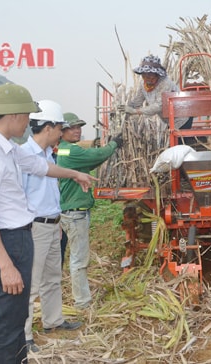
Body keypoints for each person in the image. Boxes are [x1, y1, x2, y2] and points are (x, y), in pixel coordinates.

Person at [0, 84, 96, 364]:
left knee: (16, 316)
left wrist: (74, 174)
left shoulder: (8, 148)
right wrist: (6, 265)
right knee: (7, 320)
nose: (29, 122)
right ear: (12, 115)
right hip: (8, 243)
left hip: (20, 238)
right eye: (26, 115)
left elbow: (41, 168)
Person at [21, 100, 82, 354]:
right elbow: (19, 196)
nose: (61, 133)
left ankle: (53, 321)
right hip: (34, 228)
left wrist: (56, 221)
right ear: (48, 127)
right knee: (31, 284)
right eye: (59, 128)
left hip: (51, 224)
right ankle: (23, 336)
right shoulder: (25, 156)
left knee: (52, 278)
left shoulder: (48, 154)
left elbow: (48, 193)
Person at [57, 112, 122, 309]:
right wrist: (114, 144)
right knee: (78, 259)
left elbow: (92, 160)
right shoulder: (70, 151)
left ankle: (59, 297)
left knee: (68, 257)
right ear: (62, 131)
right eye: (72, 127)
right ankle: (82, 303)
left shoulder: (65, 150)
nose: (77, 130)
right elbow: (96, 156)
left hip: (69, 211)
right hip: (75, 213)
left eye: (79, 127)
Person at [121, 55, 194, 144]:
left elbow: (158, 106)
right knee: (175, 145)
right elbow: (137, 101)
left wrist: (135, 111)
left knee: (180, 146)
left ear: (157, 75)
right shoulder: (142, 85)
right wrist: (125, 109)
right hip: (170, 121)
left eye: (151, 77)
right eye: (145, 76)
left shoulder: (165, 83)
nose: (148, 80)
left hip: (183, 118)